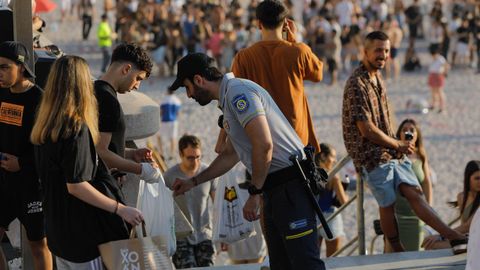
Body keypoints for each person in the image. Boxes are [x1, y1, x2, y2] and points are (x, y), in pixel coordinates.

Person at [169, 53, 326, 270]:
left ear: (198, 80)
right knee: (281, 263)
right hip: (275, 188)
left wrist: (254, 193)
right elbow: (230, 155)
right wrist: (194, 181)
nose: (188, 95)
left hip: (289, 185)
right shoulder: (228, 98)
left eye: (187, 87)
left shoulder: (237, 92)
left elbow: (264, 145)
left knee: (304, 262)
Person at [342, 31, 467, 254]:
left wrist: (397, 145)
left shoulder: (377, 78)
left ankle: (453, 236)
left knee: (414, 193)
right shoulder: (356, 83)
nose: (383, 55)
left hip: (390, 151)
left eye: (387, 50)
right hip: (370, 155)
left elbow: (384, 121)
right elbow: (366, 130)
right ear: (366, 52)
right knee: (388, 203)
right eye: (378, 50)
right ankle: (397, 248)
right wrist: (397, 144)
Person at [31, 55, 143, 269]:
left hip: (57, 229)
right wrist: (120, 209)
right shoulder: (75, 128)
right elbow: (76, 186)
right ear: (83, 85)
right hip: (82, 234)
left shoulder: (45, 126)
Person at [230, 0, 323, 152]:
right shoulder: (299, 51)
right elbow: (317, 74)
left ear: (259, 24)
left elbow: (233, 95)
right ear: (285, 23)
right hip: (296, 136)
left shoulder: (244, 57)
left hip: (263, 137)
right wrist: (294, 40)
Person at [0, 41, 52, 270]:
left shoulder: (39, 100)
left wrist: (22, 163)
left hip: (32, 186)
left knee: (39, 245)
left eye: (4, 67)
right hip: (3, 183)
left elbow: (50, 147)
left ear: (21, 67)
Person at [94, 43, 161, 185]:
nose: (137, 86)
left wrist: (131, 153)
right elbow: (100, 152)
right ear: (126, 69)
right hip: (101, 183)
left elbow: (97, 145)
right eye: (138, 78)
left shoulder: (94, 89)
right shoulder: (108, 100)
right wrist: (141, 169)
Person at [163, 135, 217, 268]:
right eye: (190, 158)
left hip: (205, 235)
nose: (195, 161)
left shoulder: (208, 173)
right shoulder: (169, 176)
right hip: (181, 236)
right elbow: (163, 208)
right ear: (181, 154)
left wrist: (222, 234)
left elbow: (217, 205)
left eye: (198, 157)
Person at [384, 119, 433, 252]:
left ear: (417, 135)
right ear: (399, 133)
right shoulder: (393, 154)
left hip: (417, 215)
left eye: (412, 130)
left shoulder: (421, 156)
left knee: (415, 253)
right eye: (405, 129)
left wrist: (429, 209)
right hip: (396, 214)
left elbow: (427, 183)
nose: (408, 132)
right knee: (393, 255)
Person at [422, 160, 480, 251]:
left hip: (476, 241)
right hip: (467, 238)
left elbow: (468, 226)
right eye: (477, 178)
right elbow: (463, 225)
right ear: (468, 178)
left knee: (434, 245)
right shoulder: (462, 197)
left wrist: (441, 235)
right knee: (429, 244)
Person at [315, 143, 348, 257]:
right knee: (332, 259)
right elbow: (344, 202)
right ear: (323, 156)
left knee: (313, 259)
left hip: (313, 217)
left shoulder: (309, 174)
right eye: (333, 157)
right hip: (330, 218)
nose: (334, 161)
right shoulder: (333, 176)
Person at [158, 89, 182, 160]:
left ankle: (161, 152)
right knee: (173, 138)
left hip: (164, 121)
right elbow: (178, 113)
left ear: (168, 91)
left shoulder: (164, 99)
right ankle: (172, 154)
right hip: (173, 121)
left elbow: (161, 112)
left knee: (159, 137)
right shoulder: (177, 100)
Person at [427, 44, 449, 113]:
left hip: (438, 76)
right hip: (432, 75)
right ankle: (434, 104)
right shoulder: (434, 58)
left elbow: (447, 66)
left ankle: (442, 107)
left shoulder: (441, 59)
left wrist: (444, 73)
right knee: (433, 91)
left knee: (439, 91)